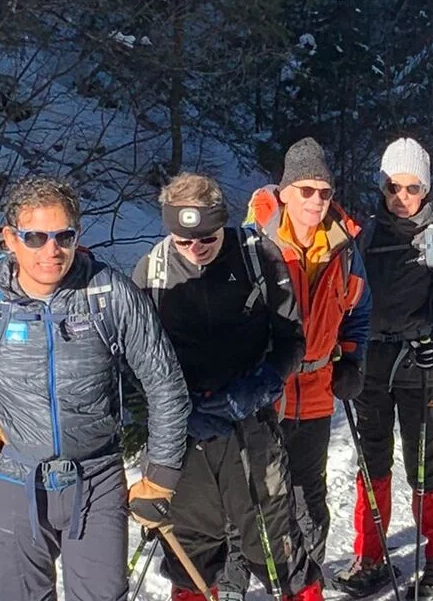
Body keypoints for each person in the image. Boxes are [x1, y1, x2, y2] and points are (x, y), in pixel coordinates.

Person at [0, 175, 190, 601]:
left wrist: (160, 474)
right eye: (35, 237)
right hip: (13, 481)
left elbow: (164, 381)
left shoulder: (108, 293)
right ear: (11, 239)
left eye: (63, 236)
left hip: (96, 481)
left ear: (77, 235)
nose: (51, 251)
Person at [131, 173, 323, 601]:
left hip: (248, 422)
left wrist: (259, 387)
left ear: (223, 225)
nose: (195, 249)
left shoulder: (258, 258)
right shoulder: (152, 272)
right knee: (191, 551)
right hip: (183, 430)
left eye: (207, 239)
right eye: (184, 240)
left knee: (274, 541)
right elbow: (137, 359)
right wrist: (172, 408)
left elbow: (292, 340)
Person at [229, 137, 371, 591]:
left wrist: (351, 358)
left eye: (324, 191)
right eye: (305, 190)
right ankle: (234, 583)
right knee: (250, 492)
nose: (315, 200)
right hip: (264, 389)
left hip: (316, 389)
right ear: (285, 191)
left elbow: (360, 311)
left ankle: (304, 585)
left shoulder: (344, 247)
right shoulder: (255, 245)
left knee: (309, 495)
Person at [333, 138, 433, 597]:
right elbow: (349, 295)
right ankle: (370, 556)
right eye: (394, 187)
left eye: (412, 188)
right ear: (382, 187)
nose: (402, 197)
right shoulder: (367, 236)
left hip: (419, 361)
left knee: (421, 463)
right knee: (371, 460)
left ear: (427, 189)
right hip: (373, 360)